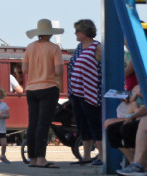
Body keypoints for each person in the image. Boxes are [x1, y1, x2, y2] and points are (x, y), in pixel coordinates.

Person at [22, 18, 64, 168]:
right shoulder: (54, 49)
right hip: (49, 87)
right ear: (50, 34)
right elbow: (59, 71)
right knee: (43, 124)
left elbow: (24, 70)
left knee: (32, 123)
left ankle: (32, 158)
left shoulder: (30, 47)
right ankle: (41, 158)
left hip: (31, 89)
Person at [67, 19, 103, 165]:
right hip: (76, 91)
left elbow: (103, 67)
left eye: (77, 31)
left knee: (94, 123)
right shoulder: (79, 47)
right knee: (82, 124)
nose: (75, 33)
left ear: (85, 31)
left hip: (91, 92)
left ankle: (102, 155)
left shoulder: (97, 47)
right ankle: (86, 156)